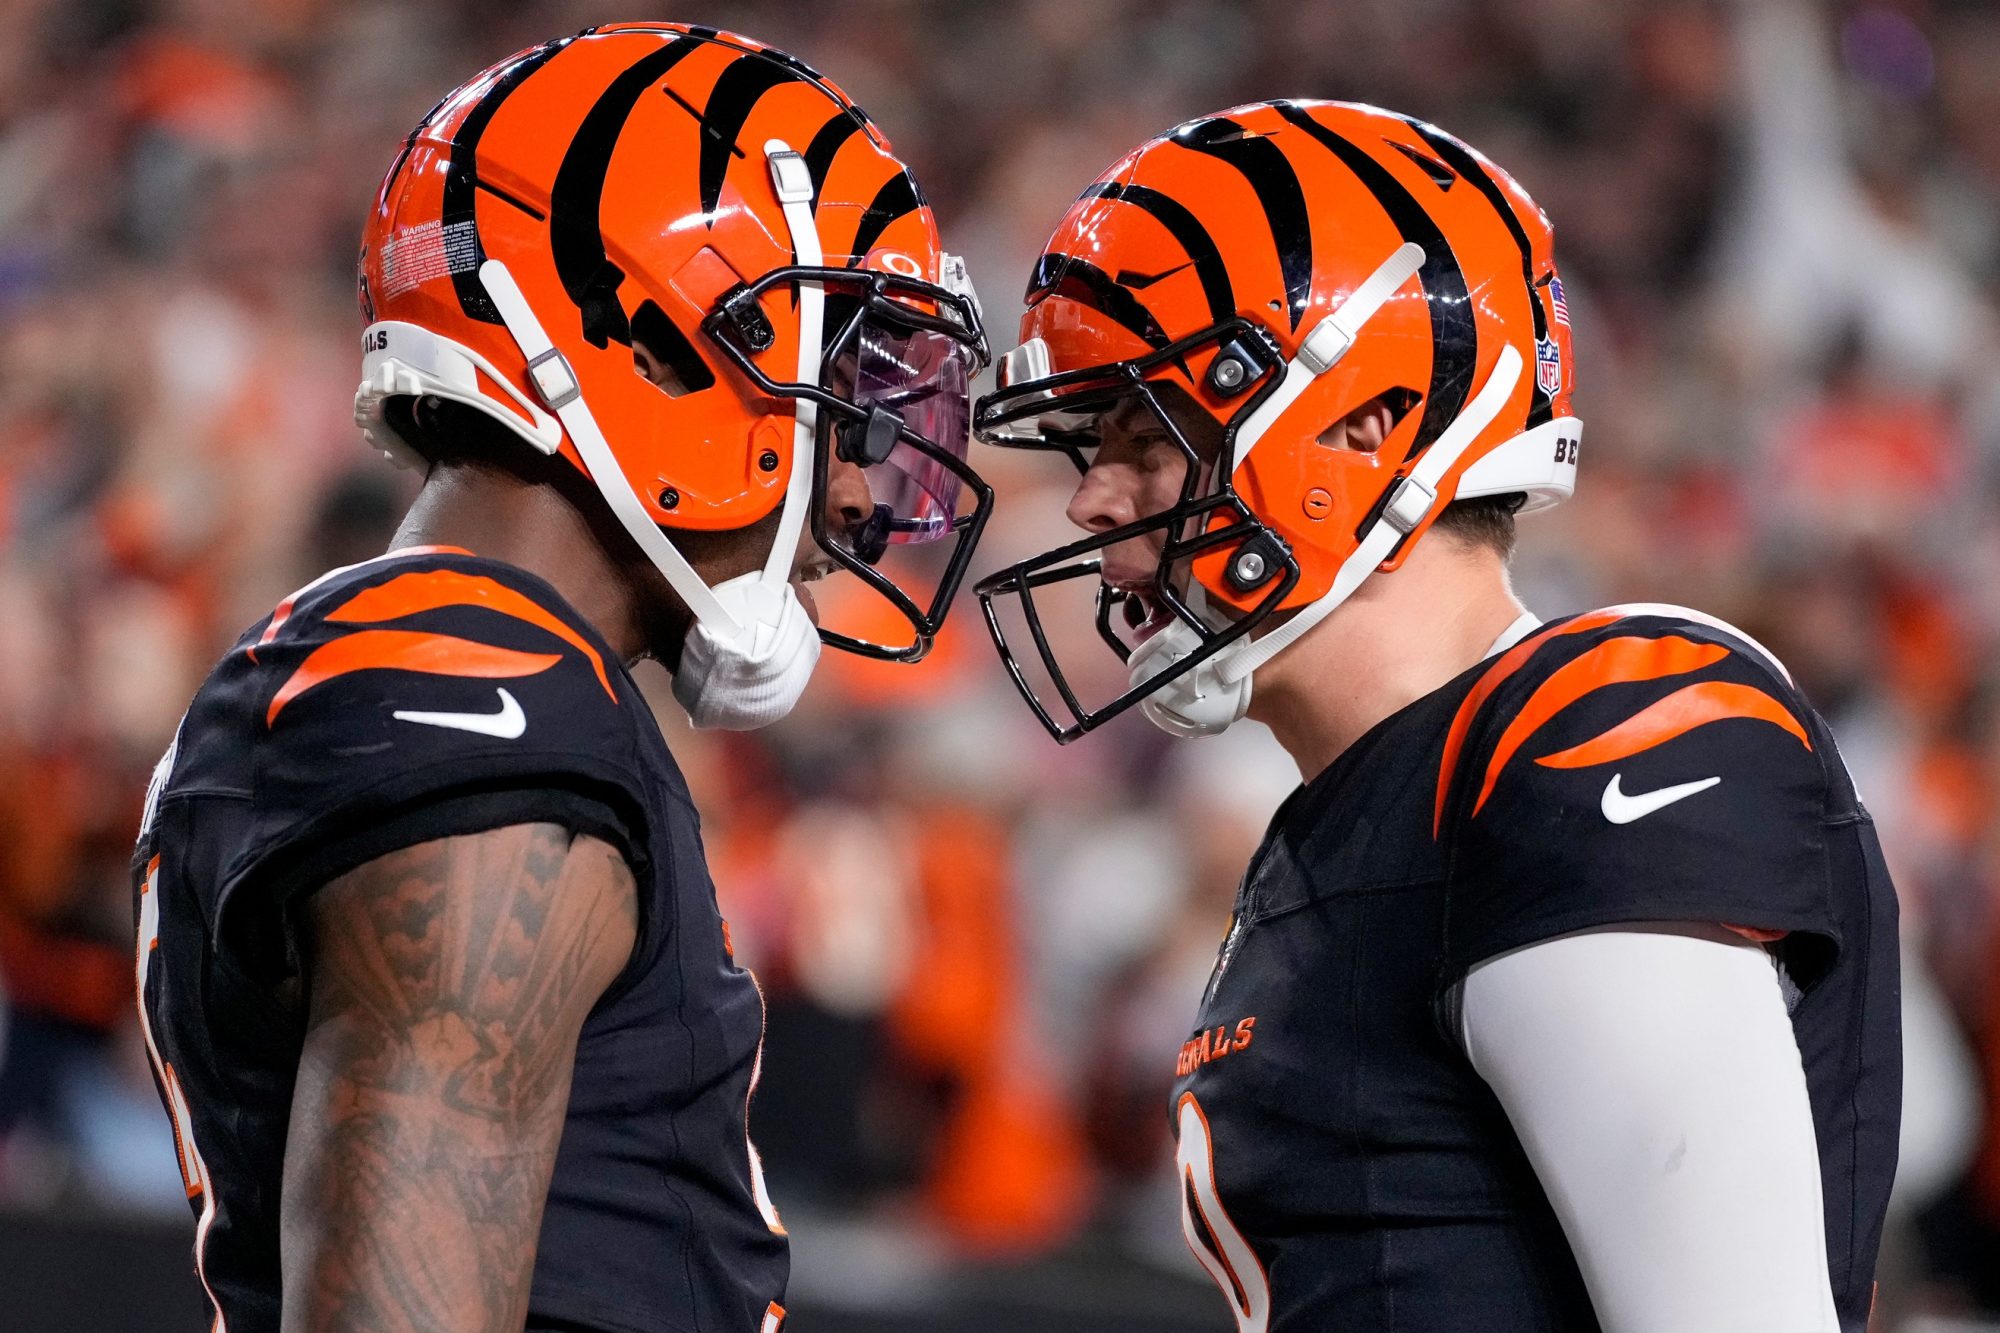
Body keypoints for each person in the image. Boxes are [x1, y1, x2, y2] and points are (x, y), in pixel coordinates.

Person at [974, 100, 1899, 1331]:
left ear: (1363, 424)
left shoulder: (1581, 733)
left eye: (1146, 436)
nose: (1089, 500)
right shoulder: (1353, 807)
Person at [131, 23, 990, 1332]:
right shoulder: (476, 687)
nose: (865, 480)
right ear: (653, 342)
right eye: (847, 388)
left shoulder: (437, 667)